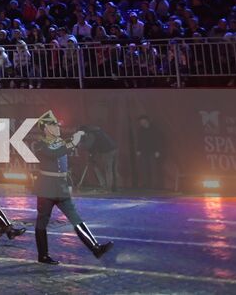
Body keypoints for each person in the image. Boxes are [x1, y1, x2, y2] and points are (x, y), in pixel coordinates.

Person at [30, 111, 113, 264]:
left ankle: (95, 247)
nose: (58, 127)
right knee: (42, 222)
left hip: (61, 189)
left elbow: (69, 145)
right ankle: (43, 255)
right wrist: (73, 141)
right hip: (46, 189)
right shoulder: (40, 144)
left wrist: (82, 133)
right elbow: (55, 153)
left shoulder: (61, 141)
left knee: (76, 219)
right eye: (54, 125)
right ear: (46, 127)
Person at [133, 116, 163, 190]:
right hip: (143, 151)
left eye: (143, 121)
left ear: (147, 121)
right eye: (140, 122)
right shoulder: (140, 130)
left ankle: (155, 185)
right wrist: (138, 150)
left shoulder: (154, 129)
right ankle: (145, 184)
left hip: (152, 151)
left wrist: (158, 151)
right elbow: (139, 141)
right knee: (144, 168)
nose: (142, 123)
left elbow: (158, 140)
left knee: (153, 168)